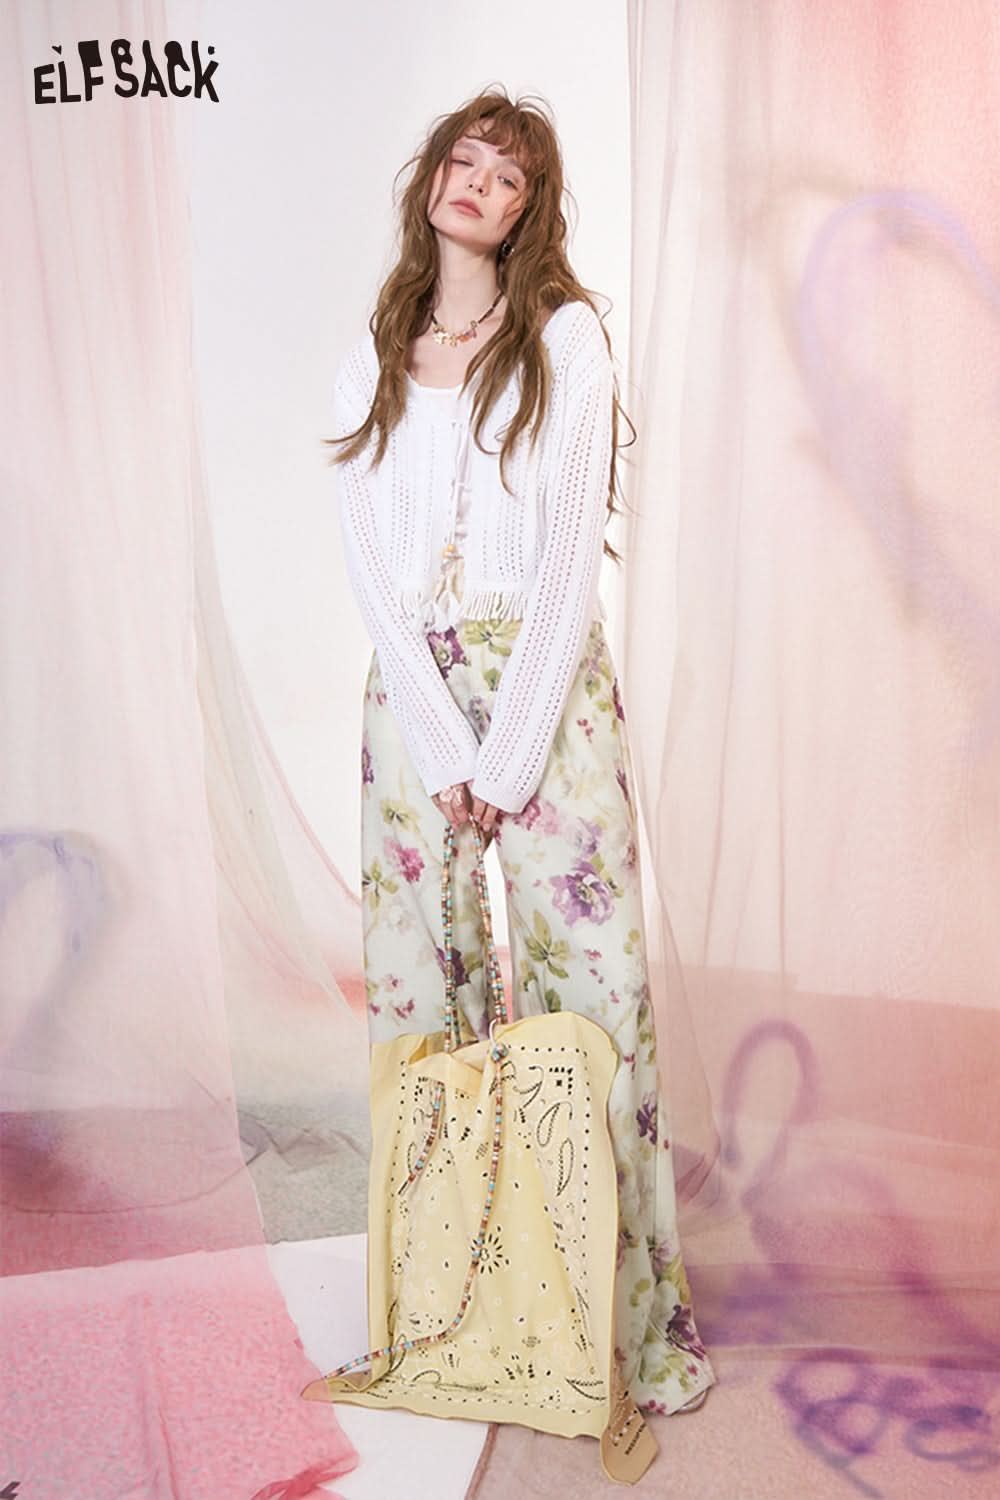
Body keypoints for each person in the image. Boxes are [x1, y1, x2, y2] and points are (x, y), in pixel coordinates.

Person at [322, 86, 714, 1425]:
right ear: (430, 179)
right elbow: (373, 577)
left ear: (530, 208)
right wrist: (443, 743)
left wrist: (505, 755)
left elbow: (562, 571)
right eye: (462, 158)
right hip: (412, 708)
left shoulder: (566, 338)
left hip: (546, 696)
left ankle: (622, 1334)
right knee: (421, 1003)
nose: (476, 181)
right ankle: (457, 1312)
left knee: (589, 1002)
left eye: (505, 173)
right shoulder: (372, 358)